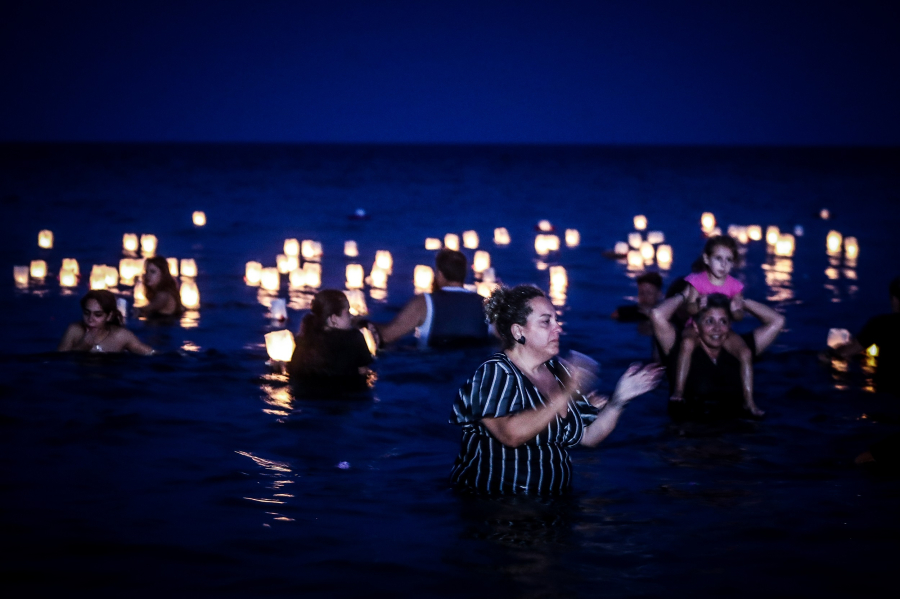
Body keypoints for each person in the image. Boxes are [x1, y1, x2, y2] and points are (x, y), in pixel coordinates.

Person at [450, 285, 663, 495]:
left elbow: (588, 436)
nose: (558, 328)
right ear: (518, 331)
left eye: (556, 320)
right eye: (546, 322)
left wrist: (620, 399)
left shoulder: (560, 370)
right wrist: (564, 395)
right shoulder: (494, 373)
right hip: (498, 506)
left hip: (552, 504)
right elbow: (510, 435)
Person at [650, 292, 785, 421]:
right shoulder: (680, 350)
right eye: (709, 321)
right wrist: (685, 295)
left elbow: (777, 321)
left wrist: (740, 301)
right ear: (696, 326)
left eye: (723, 321)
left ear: (730, 325)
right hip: (691, 437)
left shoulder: (741, 350)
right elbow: (657, 314)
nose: (717, 328)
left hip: (736, 435)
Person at [672, 236, 754, 410]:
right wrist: (696, 305)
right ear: (707, 259)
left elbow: (739, 317)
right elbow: (688, 309)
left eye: (728, 260)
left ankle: (748, 400)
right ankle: (678, 390)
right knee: (686, 343)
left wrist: (735, 310)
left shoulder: (735, 286)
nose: (723, 265)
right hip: (694, 326)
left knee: (745, 352)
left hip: (722, 329)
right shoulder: (697, 281)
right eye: (718, 259)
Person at [376, 248, 489, 348]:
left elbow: (387, 336)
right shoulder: (486, 304)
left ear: (439, 274)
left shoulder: (423, 303)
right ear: (464, 273)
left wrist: (365, 325)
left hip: (434, 366)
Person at [288, 289, 373, 394]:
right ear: (333, 318)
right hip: (347, 396)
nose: (351, 316)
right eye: (347, 312)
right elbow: (363, 372)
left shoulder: (304, 339)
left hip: (307, 398)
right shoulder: (354, 338)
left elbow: (294, 372)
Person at [832, 275, 900, 395]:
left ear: (894, 298)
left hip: (885, 393)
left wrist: (829, 353)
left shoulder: (881, 325)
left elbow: (846, 352)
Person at [58, 290, 154, 354]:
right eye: (87, 313)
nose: (90, 319)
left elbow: (153, 355)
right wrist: (81, 348)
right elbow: (57, 363)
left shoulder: (121, 337)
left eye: (98, 315)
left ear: (109, 316)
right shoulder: (74, 331)